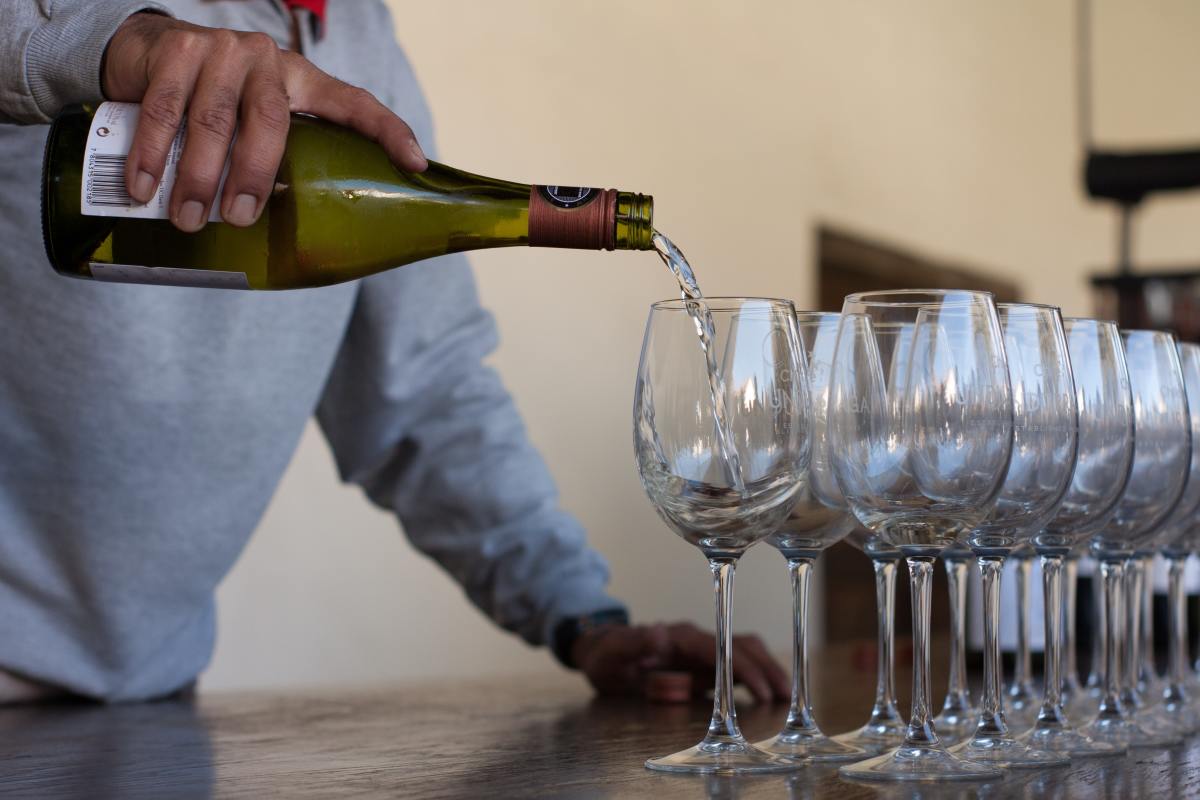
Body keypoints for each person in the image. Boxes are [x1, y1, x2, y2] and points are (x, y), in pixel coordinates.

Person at [0, 0, 788, 704]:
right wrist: (107, 41)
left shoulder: (364, 45)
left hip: (146, 700)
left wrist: (584, 619)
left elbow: (426, 397)